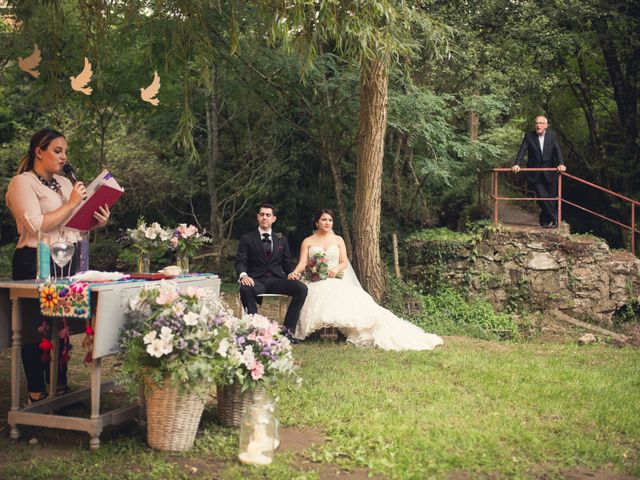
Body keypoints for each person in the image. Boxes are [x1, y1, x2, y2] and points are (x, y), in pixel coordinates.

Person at [5, 128, 110, 404]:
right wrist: (73, 203)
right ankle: (37, 391)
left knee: (61, 324)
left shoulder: (65, 184)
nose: (63, 157)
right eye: (57, 150)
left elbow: (74, 225)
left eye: (65, 151)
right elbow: (36, 225)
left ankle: (59, 385)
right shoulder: (22, 183)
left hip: (67, 258)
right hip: (34, 260)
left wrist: (96, 219)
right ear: (38, 151)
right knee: (34, 326)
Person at [288, 209, 443, 351]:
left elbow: (343, 262)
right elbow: (303, 263)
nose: (327, 222)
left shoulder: (338, 240)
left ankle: (340, 330)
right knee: (312, 294)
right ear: (317, 222)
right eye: (323, 219)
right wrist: (295, 273)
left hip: (335, 278)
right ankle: (321, 331)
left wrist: (335, 269)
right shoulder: (308, 241)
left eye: (330, 220)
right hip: (316, 279)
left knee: (343, 295)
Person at [235, 203, 308, 340]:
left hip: (276, 280)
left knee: (301, 288)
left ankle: (287, 332)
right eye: (262, 215)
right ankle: (255, 331)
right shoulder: (247, 238)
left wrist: (291, 273)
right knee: (245, 289)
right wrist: (243, 275)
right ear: (258, 217)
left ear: (274, 218)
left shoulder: (282, 240)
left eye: (268, 215)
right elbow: (240, 261)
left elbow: (287, 264)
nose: (264, 217)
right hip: (256, 280)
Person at [511, 115, 566, 228]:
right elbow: (522, 150)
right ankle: (556, 220)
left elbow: (557, 151)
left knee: (551, 198)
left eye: (541, 123)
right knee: (542, 197)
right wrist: (517, 164)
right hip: (535, 173)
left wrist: (561, 164)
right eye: (536, 123)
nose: (538, 125)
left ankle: (545, 221)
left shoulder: (552, 135)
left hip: (550, 172)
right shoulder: (529, 136)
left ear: (546, 125)